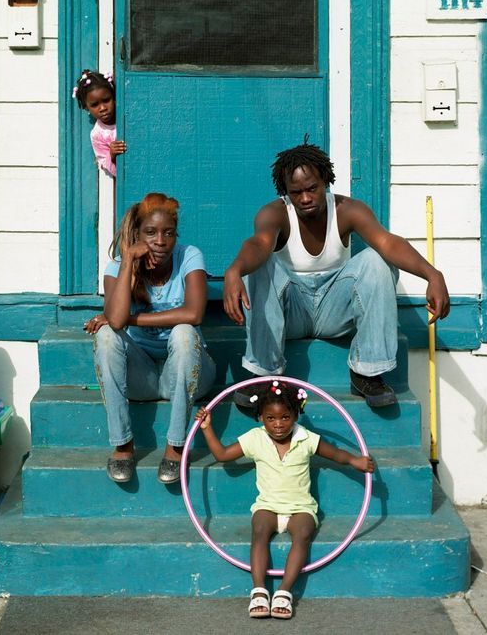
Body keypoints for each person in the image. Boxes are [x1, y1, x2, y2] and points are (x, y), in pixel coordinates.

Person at [223, 142, 450, 408]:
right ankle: (264, 376)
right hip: (289, 312)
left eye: (312, 188)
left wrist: (432, 274)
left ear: (326, 181)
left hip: (335, 310)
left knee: (378, 260)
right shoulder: (274, 213)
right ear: (286, 192)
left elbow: (388, 243)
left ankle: (367, 372)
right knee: (257, 267)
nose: (305, 198)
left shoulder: (347, 210)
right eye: (296, 192)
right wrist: (234, 270)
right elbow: (259, 244)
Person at [196, 380, 374, 619]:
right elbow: (222, 455)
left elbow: (335, 454)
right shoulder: (255, 438)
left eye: (285, 418)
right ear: (260, 417)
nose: (278, 425)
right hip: (268, 505)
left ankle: (283, 592)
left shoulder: (306, 438)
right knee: (259, 529)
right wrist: (207, 428)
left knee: (302, 534)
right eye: (271, 418)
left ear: (295, 415)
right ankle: (259, 590)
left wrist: (356, 461)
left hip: (301, 507)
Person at [86, 193, 216, 484]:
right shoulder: (116, 267)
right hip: (140, 377)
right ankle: (123, 444)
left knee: (184, 332)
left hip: (186, 372)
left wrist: (132, 319)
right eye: (151, 232)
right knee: (107, 334)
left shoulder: (189, 256)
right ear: (137, 234)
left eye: (168, 233)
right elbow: (115, 322)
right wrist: (129, 260)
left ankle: (175, 445)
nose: (160, 240)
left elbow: (194, 313)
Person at [72, 69, 126, 177]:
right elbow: (110, 169)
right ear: (86, 107)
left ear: (115, 97)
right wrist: (112, 155)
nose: (102, 108)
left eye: (106, 100)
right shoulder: (97, 134)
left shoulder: (127, 117)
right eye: (95, 104)